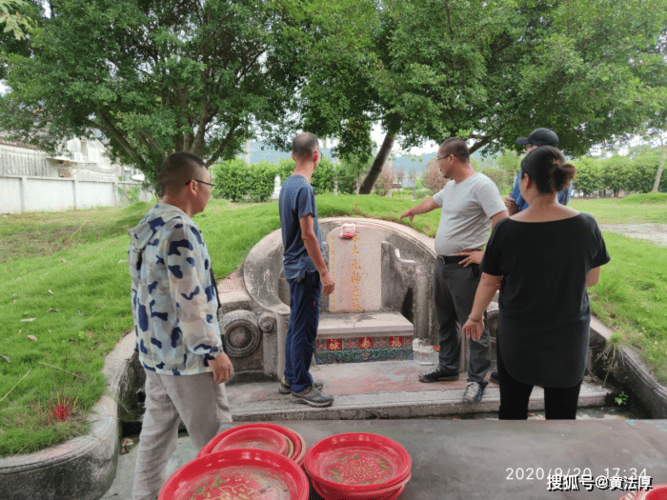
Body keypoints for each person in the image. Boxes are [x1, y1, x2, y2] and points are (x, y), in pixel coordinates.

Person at [462, 146, 610, 419]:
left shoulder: (506, 229)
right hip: (568, 339)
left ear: (526, 180)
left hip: (519, 338)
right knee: (563, 416)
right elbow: (592, 279)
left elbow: (488, 280)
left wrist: (475, 317)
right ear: (562, 182)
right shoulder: (586, 225)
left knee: (513, 412)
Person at [128, 152, 233, 500]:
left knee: (156, 437)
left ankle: (145, 495)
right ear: (193, 186)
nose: (209, 192)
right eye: (208, 185)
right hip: (187, 361)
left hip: (154, 353)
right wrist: (213, 352)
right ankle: (230, 493)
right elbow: (190, 300)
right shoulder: (180, 229)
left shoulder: (151, 223)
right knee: (217, 438)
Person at [400, 137, 508, 404]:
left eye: (439, 159)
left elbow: (503, 222)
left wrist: (485, 255)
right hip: (442, 265)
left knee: (474, 324)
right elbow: (432, 202)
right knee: (445, 320)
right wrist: (412, 210)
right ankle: (448, 368)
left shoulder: (482, 185)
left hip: (464, 269)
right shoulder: (451, 187)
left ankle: (476, 380)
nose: (438, 165)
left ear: (452, 158)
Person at [278, 132, 335, 407]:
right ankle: (301, 386)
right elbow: (308, 235)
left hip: (294, 267)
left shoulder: (288, 184)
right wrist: (324, 272)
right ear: (316, 156)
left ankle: (292, 377)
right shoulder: (304, 189)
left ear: (292, 155)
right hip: (305, 270)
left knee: (296, 326)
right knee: (304, 328)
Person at [504, 128, 572, 216]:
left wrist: (510, 207)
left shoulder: (526, 173)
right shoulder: (564, 174)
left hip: (527, 226)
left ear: (535, 148)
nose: (526, 151)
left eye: (527, 146)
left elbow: (513, 208)